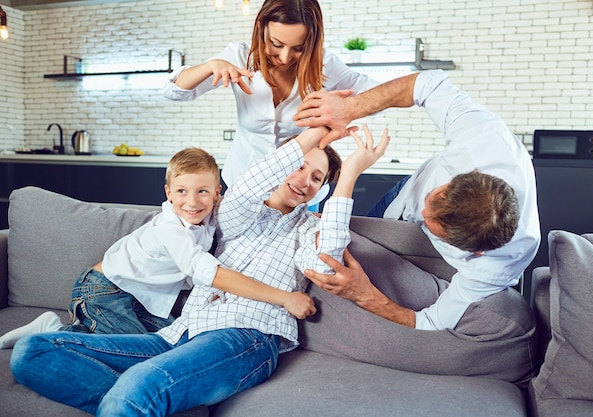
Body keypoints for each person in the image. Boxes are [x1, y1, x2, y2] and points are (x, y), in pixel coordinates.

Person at [10, 125, 390, 416]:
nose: (304, 180)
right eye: (300, 166)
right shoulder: (236, 213)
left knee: (141, 386)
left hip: (246, 335)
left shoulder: (311, 228)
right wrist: (318, 132)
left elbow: (324, 259)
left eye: (317, 177)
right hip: (179, 333)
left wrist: (352, 173)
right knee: (33, 351)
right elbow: (253, 183)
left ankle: (143, 403)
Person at [294, 69, 541, 331]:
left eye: (434, 222)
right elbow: (427, 84)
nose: (423, 211)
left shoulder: (493, 267)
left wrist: (363, 294)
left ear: (475, 252)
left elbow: (430, 321)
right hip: (401, 197)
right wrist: (351, 107)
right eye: (435, 197)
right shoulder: (483, 141)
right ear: (466, 176)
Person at [0, 147, 315, 349]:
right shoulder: (170, 227)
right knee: (141, 349)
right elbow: (205, 270)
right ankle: (51, 335)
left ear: (218, 192)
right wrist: (284, 298)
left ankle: (59, 327)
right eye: (182, 191)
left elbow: (244, 207)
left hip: (140, 297)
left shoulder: (212, 218)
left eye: (203, 191)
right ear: (168, 192)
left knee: (178, 337)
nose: (192, 202)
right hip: (105, 289)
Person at [162, 0, 379, 195]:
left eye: (298, 48)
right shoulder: (240, 56)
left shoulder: (325, 65)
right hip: (241, 185)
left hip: (297, 190)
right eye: (276, 44)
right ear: (261, 28)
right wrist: (210, 67)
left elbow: (376, 91)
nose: (285, 57)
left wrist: (345, 108)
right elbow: (174, 91)